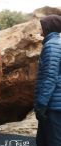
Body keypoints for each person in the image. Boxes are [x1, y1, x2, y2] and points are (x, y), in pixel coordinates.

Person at [34, 14, 61, 146]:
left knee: (53, 141)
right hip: (53, 103)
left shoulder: (52, 46)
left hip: (53, 105)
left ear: (48, 27)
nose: (40, 29)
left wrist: (41, 104)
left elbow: (50, 77)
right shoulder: (55, 43)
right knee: (42, 141)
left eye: (42, 26)